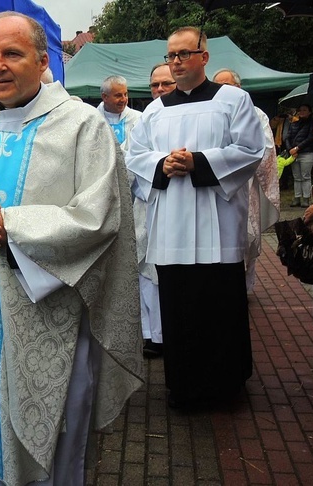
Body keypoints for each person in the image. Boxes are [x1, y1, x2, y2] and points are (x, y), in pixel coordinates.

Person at [0, 11, 143, 485]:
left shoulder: (81, 126)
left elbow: (99, 216)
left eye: (12, 53)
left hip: (46, 316)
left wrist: (11, 227)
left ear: (42, 62)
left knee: (50, 443)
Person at [126, 27, 265, 408]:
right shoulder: (154, 111)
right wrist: (162, 163)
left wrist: (199, 162)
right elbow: (133, 158)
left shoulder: (233, 100)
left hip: (217, 225)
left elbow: (252, 150)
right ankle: (184, 387)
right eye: (171, 56)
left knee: (221, 309)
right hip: (172, 225)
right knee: (180, 309)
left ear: (204, 56)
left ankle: (227, 385)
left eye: (184, 54)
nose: (176, 62)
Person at [213, 68, 280, 292]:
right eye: (219, 86)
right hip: (214, 185)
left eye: (228, 85)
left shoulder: (256, 114)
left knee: (245, 237)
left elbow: (266, 149)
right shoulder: (210, 113)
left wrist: (238, 163)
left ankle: (243, 288)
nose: (224, 90)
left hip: (245, 184)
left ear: (239, 88)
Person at [134, 64, 177, 359]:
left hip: (181, 210)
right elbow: (131, 158)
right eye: (154, 85)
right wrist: (159, 167)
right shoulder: (145, 117)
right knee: (146, 273)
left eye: (166, 84)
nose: (159, 90)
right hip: (147, 203)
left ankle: (169, 332)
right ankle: (152, 334)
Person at [98, 75, 141, 151]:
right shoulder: (93, 119)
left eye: (125, 94)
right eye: (118, 96)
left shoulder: (138, 118)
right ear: (105, 97)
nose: (123, 99)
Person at [286, 104, 313, 207]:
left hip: (307, 153)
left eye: (304, 110)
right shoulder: (294, 124)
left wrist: (297, 148)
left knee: (305, 176)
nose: (302, 112)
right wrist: (290, 149)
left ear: (309, 112)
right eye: (300, 110)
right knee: (296, 177)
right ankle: (297, 197)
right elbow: (287, 137)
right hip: (294, 154)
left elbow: (310, 138)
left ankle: (306, 198)